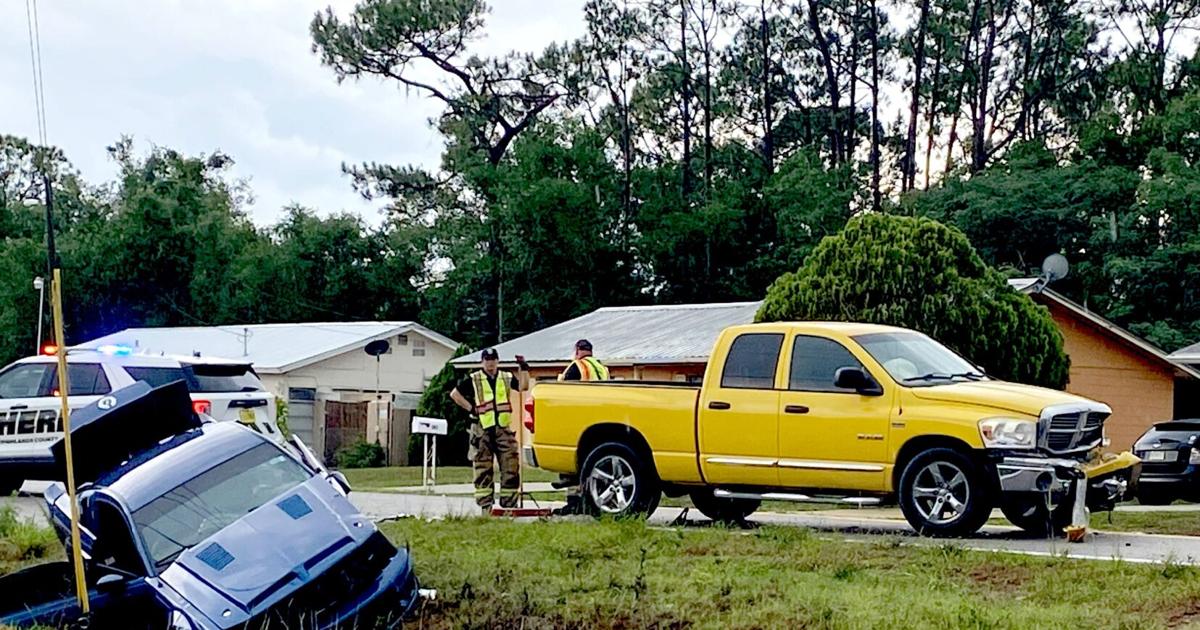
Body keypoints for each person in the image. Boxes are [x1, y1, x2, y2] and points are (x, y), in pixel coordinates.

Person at [450, 348, 525, 513]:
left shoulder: (506, 377)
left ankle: (509, 504)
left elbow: (523, 386)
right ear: (482, 361)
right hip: (481, 428)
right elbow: (455, 394)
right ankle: (486, 506)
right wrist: (471, 409)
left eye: (493, 360)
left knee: (510, 464)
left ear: (497, 361)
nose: (490, 363)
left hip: (502, 428)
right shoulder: (474, 379)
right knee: (483, 466)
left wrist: (524, 368)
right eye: (487, 360)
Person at [553, 339, 609, 515]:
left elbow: (564, 393)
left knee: (572, 464)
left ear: (577, 350)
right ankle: (593, 501)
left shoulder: (576, 366)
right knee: (594, 464)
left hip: (578, 419)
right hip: (601, 421)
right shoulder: (602, 368)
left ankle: (574, 503)